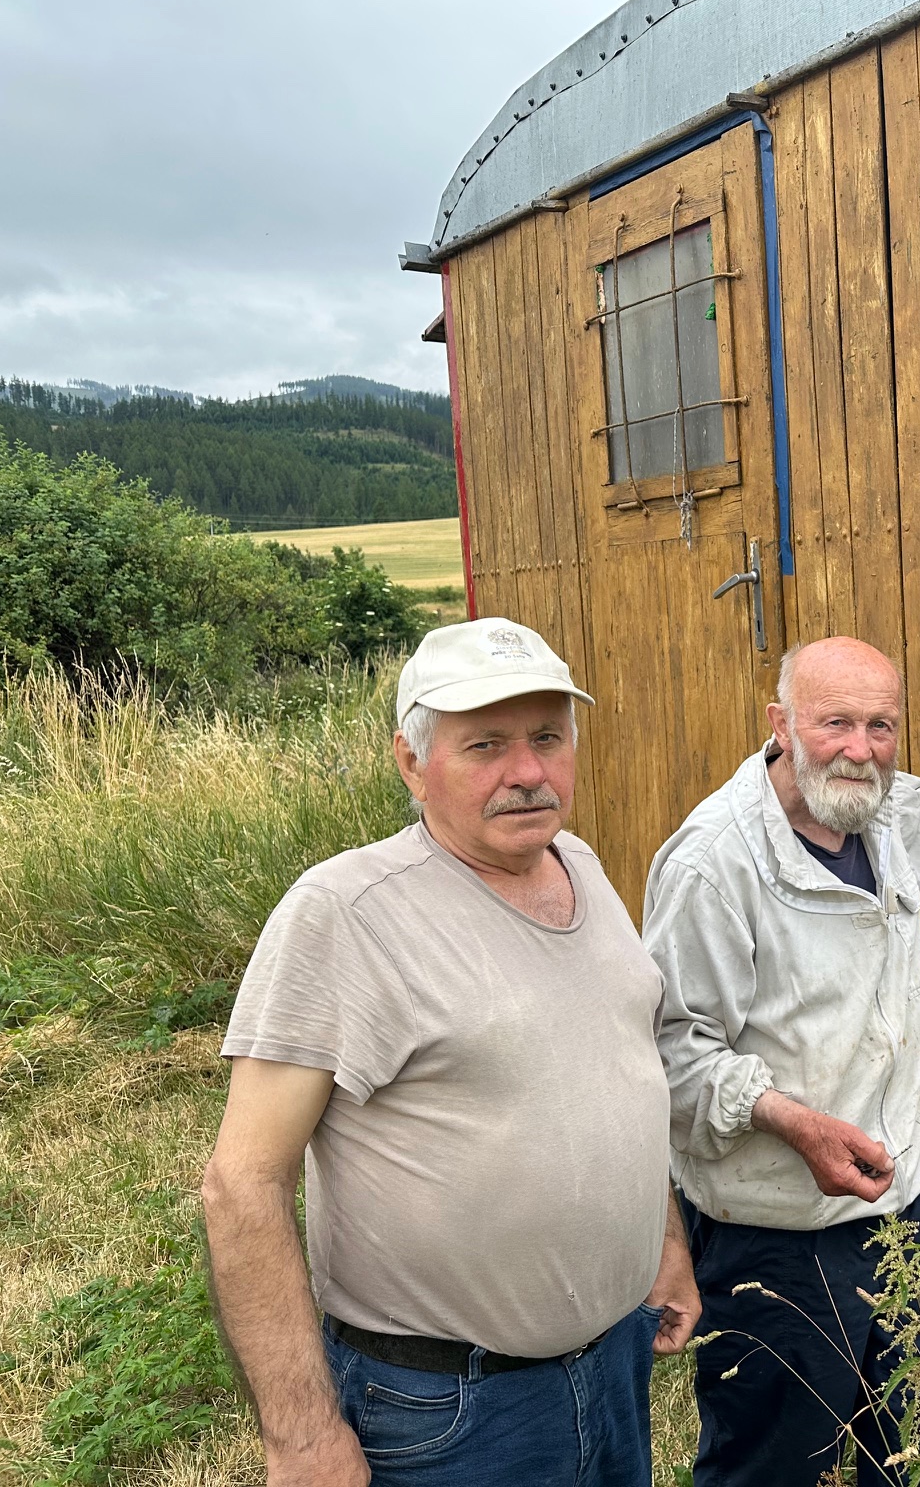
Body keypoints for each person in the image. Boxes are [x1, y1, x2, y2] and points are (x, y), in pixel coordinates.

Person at [202, 618, 698, 1486]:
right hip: (445, 1411)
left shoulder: (578, 863)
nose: (529, 772)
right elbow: (241, 1183)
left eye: (549, 737)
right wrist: (301, 1435)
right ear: (410, 763)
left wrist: (661, 1243)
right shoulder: (348, 914)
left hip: (612, 1367)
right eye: (486, 746)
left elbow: (617, 1074)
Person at [644, 636, 920, 1486]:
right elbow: (669, 1056)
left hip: (912, 1207)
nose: (860, 747)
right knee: (773, 1468)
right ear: (780, 724)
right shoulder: (712, 865)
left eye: (881, 726)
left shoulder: (871, 810)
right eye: (835, 721)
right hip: (775, 1240)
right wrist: (793, 1122)